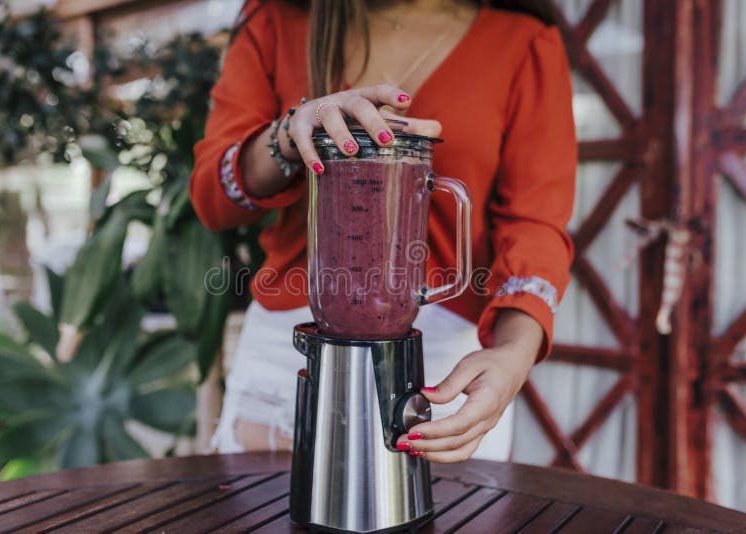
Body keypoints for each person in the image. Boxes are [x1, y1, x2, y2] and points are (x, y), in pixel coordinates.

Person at [190, 0, 576, 463]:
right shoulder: (276, 19)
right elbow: (213, 200)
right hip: (293, 352)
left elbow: (535, 225)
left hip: (445, 374)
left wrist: (514, 355)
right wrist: (289, 137)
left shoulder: (523, 40)